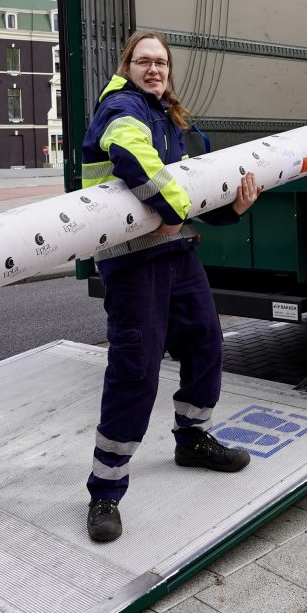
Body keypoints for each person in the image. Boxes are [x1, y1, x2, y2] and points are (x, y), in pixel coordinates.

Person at [81, 30, 261, 543]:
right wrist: (173, 211)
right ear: (128, 65)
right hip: (133, 263)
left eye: (162, 62)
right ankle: (105, 491)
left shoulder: (164, 116)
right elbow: (133, 160)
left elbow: (184, 190)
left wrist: (231, 209)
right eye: (145, 61)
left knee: (206, 340)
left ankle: (192, 439)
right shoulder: (121, 107)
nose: (155, 69)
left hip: (175, 254)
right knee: (136, 370)